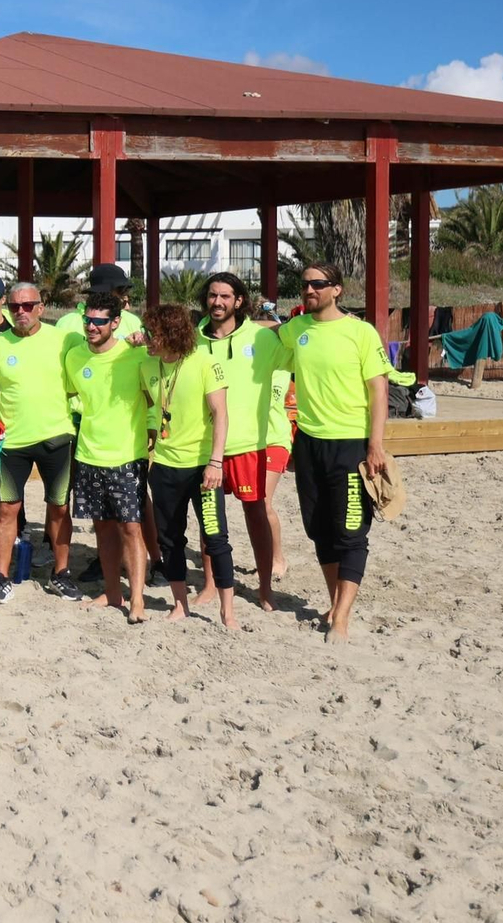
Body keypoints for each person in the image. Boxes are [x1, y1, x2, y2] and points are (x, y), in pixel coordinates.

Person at [272, 263, 390, 643]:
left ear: (337, 289)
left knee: (351, 531)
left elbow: (379, 390)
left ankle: (341, 617)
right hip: (308, 443)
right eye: (304, 284)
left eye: (317, 284)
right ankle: (334, 601)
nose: (309, 289)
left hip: (351, 443)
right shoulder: (296, 330)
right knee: (319, 528)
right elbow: (260, 337)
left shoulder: (360, 332)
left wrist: (375, 445)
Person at [0, 281, 77, 605]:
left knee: (59, 507)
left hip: (56, 437)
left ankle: (60, 574)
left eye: (28, 305)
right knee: (7, 509)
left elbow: (99, 356)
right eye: (15, 306)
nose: (21, 312)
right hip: (12, 441)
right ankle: (2, 578)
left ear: (41, 307)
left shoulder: (64, 340)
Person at [136, 303, 234, 627]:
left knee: (216, 536)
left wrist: (215, 462)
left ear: (172, 334)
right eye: (147, 332)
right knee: (171, 540)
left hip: (202, 467)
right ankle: (180, 604)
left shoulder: (205, 362)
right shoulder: (147, 364)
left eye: (154, 333)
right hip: (164, 466)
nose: (149, 338)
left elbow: (221, 413)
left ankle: (227, 611)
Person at [198, 272, 291, 610]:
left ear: (238, 301)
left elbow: (302, 362)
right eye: (212, 295)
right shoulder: (194, 340)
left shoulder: (264, 338)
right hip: (206, 445)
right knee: (210, 518)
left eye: (225, 296)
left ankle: (265, 589)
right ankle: (210, 585)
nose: (217, 302)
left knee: (256, 513)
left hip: (252, 444)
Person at [64, 297, 152, 621]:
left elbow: (163, 379)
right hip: (89, 453)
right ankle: (113, 593)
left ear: (116, 322)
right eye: (87, 320)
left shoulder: (136, 356)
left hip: (127, 455)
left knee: (131, 528)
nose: (91, 326)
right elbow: (70, 395)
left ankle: (137, 599)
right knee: (102, 529)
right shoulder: (74, 358)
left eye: (99, 321)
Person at [55, 263, 144, 343]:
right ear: (103, 291)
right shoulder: (67, 323)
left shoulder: (132, 321)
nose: (124, 297)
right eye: (121, 291)